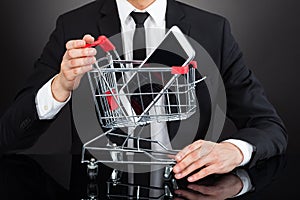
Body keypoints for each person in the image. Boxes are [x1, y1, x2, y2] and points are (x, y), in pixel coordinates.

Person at [0, 0, 287, 182]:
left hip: (188, 186)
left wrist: (233, 151)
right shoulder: (73, 26)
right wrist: (60, 85)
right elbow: (9, 135)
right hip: (98, 185)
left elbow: (269, 126)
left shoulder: (213, 30)